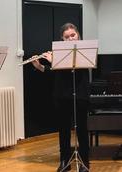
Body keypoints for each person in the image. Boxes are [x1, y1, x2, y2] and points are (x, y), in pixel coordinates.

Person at [32, 23, 90, 172]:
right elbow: (58, 74)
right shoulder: (58, 52)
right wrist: (40, 67)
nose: (70, 38)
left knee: (82, 130)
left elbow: (74, 71)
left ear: (78, 35)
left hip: (80, 94)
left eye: (73, 35)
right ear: (62, 39)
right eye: (67, 37)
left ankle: (84, 162)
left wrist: (53, 61)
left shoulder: (84, 51)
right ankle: (65, 161)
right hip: (62, 95)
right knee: (63, 130)